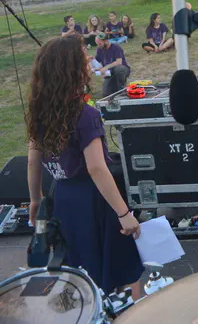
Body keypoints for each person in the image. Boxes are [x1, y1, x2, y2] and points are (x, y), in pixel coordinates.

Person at [26, 37, 143, 297]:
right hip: (95, 200)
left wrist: (36, 199)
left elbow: (33, 160)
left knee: (78, 272)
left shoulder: (39, 110)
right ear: (73, 70)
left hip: (63, 198)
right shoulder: (86, 115)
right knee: (123, 269)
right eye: (84, 59)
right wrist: (124, 213)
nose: (89, 62)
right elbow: (96, 169)